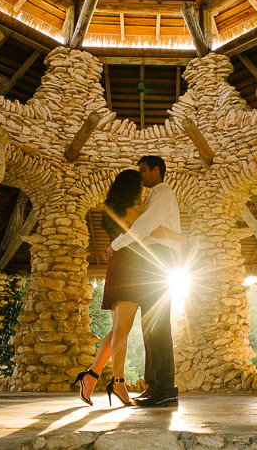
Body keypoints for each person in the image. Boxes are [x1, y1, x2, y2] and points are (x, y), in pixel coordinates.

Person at [73, 168, 182, 407]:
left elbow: (122, 236)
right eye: (140, 187)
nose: (143, 191)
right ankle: (118, 381)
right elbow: (146, 230)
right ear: (133, 188)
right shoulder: (134, 212)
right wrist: (178, 236)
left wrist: (112, 246)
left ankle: (90, 377)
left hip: (120, 266)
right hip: (129, 270)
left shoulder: (112, 208)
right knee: (122, 329)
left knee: (117, 329)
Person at [103, 155, 181, 408]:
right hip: (152, 261)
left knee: (158, 327)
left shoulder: (162, 193)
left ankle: (166, 389)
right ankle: (155, 386)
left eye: (144, 170)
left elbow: (143, 227)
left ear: (156, 171)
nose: (141, 175)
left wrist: (115, 246)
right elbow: (145, 229)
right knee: (150, 327)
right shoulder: (152, 198)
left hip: (161, 259)